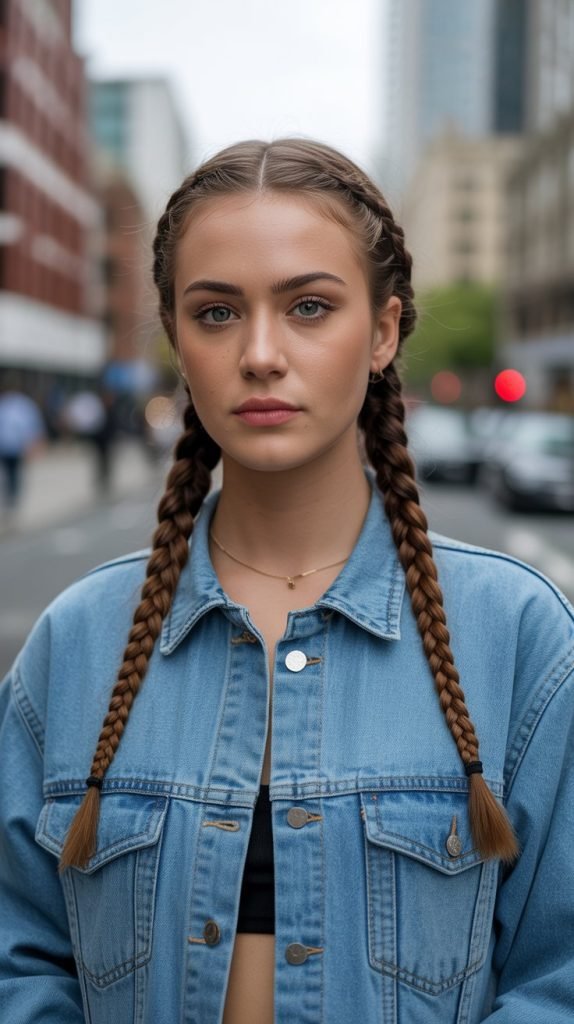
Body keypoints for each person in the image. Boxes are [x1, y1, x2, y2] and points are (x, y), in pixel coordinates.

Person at [0, 139, 572, 1024]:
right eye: (217, 313)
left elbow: (557, 978)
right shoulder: (78, 641)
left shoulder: (517, 635)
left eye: (309, 306)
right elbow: (19, 962)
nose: (261, 353)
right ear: (177, 338)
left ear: (384, 331)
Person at [0, 373, 46, 517]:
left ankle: (12, 502)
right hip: (6, 446)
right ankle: (9, 501)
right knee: (7, 475)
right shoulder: (8, 404)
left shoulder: (22, 405)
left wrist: (34, 445)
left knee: (14, 475)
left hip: (16, 447)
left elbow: (33, 426)